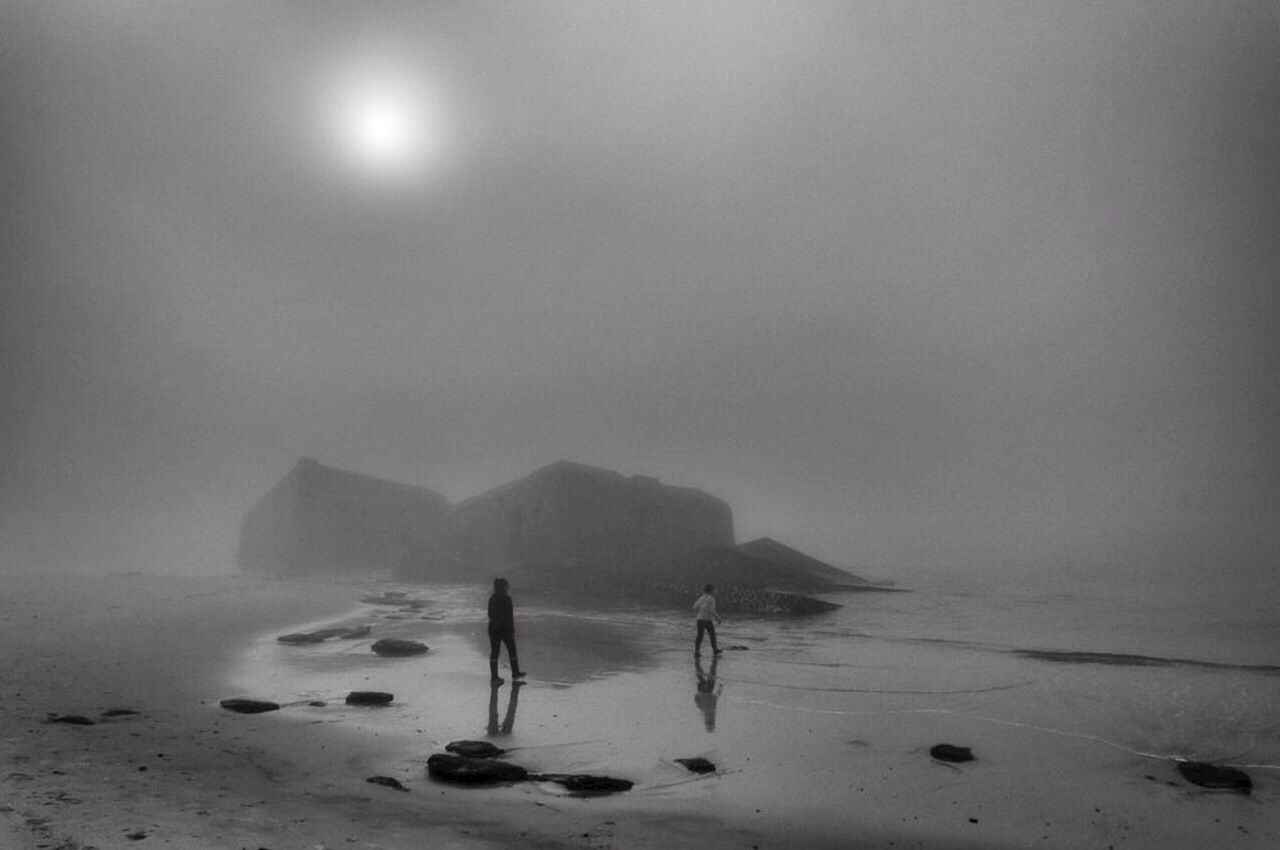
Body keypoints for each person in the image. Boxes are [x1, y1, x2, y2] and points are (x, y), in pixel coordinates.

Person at [487, 577, 526, 684]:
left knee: (494, 652)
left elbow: (490, 615)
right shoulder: (507, 599)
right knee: (512, 650)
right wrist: (511, 630)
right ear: (504, 587)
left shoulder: (492, 599)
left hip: (493, 629)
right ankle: (515, 672)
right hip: (505, 629)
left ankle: (494, 677)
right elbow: (509, 616)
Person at [693, 583, 722, 657]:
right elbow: (711, 611)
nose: (715, 591)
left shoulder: (701, 597)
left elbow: (694, 607)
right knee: (712, 635)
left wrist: (702, 610)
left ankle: (696, 651)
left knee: (700, 636)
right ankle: (715, 650)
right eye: (714, 590)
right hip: (707, 620)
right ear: (711, 591)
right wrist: (718, 618)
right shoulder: (711, 599)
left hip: (699, 619)